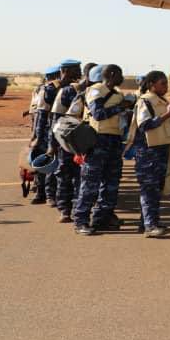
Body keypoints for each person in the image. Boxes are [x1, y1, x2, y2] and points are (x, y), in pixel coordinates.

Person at [74, 64, 132, 235]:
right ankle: (81, 221)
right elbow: (98, 114)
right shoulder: (96, 90)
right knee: (90, 184)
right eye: (120, 74)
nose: (122, 78)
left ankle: (102, 218)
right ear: (111, 74)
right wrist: (121, 107)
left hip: (114, 141)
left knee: (111, 183)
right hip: (98, 141)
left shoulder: (117, 94)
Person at [129, 70, 170, 237]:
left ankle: (148, 222)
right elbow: (145, 125)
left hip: (161, 149)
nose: (166, 87)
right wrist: (168, 115)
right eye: (163, 83)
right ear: (152, 85)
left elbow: (166, 125)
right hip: (148, 152)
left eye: (167, 83)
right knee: (149, 189)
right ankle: (150, 226)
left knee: (156, 189)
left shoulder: (162, 101)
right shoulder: (145, 101)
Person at [48, 59, 83, 223]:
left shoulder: (85, 89)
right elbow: (55, 121)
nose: (79, 72)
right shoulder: (66, 91)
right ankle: (64, 210)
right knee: (64, 176)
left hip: (82, 141)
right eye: (77, 69)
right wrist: (52, 144)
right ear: (66, 71)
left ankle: (77, 210)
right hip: (66, 142)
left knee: (80, 177)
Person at [29, 66, 60, 205]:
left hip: (58, 132)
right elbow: (40, 115)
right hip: (47, 132)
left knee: (54, 164)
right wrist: (37, 136)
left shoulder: (65, 88)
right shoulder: (47, 90)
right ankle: (43, 194)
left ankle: (49, 194)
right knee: (44, 163)